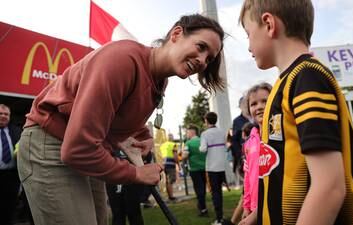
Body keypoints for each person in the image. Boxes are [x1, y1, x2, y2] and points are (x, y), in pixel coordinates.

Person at [17, 14, 225, 225]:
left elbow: (118, 113)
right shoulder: (123, 59)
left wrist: (141, 136)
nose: (202, 61)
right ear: (177, 33)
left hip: (87, 151)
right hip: (50, 144)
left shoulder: (160, 81)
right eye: (200, 47)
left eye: (209, 58)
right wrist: (136, 174)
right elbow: (77, 149)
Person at [239, 0, 353, 224]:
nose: (248, 46)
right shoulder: (285, 84)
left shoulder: (307, 78)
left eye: (248, 33)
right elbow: (282, 174)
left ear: (269, 24)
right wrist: (257, 216)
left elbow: (329, 187)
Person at [239, 82, 272, 225]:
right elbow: (247, 176)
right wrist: (246, 206)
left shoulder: (279, 136)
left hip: (274, 206)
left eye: (265, 101)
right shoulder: (249, 142)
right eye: (253, 104)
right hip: (253, 207)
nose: (259, 107)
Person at [106, 151, 153, 225]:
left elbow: (147, 156)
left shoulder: (134, 142)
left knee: (134, 212)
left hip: (132, 180)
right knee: (118, 213)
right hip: (114, 179)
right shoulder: (109, 144)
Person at [200, 112, 227, 225]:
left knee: (215, 193)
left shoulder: (205, 134)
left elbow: (203, 149)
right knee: (219, 192)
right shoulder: (222, 132)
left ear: (206, 120)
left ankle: (219, 219)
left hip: (211, 167)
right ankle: (221, 216)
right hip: (222, 166)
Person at [0, 104, 22, 225]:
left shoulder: (17, 131)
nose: (3, 116)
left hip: (11, 177)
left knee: (9, 210)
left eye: (6, 114)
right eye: (0, 114)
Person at [182, 124, 208, 217]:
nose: (186, 134)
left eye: (187, 132)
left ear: (192, 132)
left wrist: (182, 155)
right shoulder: (202, 140)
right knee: (203, 188)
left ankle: (203, 208)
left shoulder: (188, 143)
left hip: (194, 169)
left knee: (198, 189)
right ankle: (202, 205)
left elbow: (185, 155)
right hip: (204, 168)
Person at [231, 97, 250, 187]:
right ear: (240, 106)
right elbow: (234, 140)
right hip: (244, 155)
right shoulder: (237, 121)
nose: (246, 106)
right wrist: (239, 155)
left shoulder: (254, 117)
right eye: (244, 104)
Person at [160, 133, 179, 201]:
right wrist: (178, 163)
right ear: (172, 138)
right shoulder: (173, 144)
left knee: (167, 181)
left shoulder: (163, 145)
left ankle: (169, 196)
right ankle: (171, 197)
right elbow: (175, 155)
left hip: (163, 164)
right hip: (170, 164)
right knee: (171, 180)